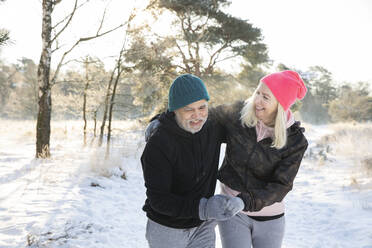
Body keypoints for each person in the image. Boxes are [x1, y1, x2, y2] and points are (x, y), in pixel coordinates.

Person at [141, 74, 244, 248]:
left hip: (203, 226)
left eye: (202, 107)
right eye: (188, 109)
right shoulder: (159, 143)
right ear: (174, 110)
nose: (197, 116)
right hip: (168, 229)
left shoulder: (213, 126)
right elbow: (159, 200)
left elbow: (245, 109)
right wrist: (205, 208)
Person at [213, 70, 309, 248]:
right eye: (257, 92)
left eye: (266, 97)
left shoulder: (295, 141)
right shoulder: (237, 114)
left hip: (270, 218)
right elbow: (201, 116)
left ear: (280, 104)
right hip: (232, 211)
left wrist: (244, 201)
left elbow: (282, 184)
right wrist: (163, 120)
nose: (257, 101)